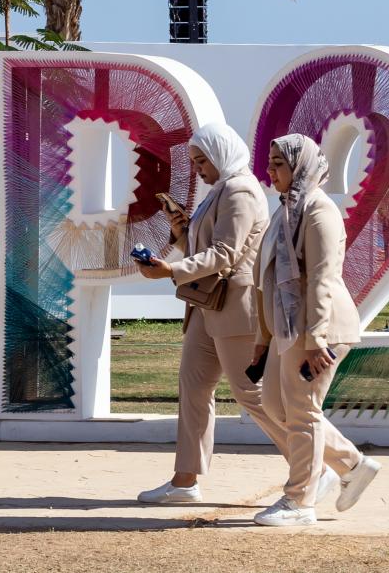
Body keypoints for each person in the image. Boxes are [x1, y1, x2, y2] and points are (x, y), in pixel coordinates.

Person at [132, 121, 291, 505]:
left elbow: (225, 254)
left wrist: (170, 270)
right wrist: (182, 230)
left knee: (252, 394)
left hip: (236, 307)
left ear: (221, 154)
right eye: (195, 161)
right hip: (208, 307)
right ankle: (184, 481)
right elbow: (206, 247)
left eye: (203, 160)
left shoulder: (239, 190)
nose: (198, 168)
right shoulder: (220, 190)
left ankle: (316, 462)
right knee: (194, 387)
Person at [249, 133, 381, 527]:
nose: (270, 171)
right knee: (275, 406)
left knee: (303, 411)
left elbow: (322, 280)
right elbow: (266, 281)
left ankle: (299, 502)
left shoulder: (319, 211)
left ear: (300, 166)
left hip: (318, 330)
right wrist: (262, 340)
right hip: (288, 329)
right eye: (270, 162)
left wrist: (315, 340)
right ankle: (352, 465)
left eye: (279, 164)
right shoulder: (285, 211)